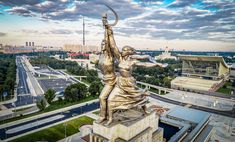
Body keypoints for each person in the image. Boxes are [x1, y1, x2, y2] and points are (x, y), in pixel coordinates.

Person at [104, 26, 167, 125]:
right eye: (123, 50)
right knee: (110, 99)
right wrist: (110, 32)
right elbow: (113, 46)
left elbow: (145, 64)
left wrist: (157, 64)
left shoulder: (133, 61)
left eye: (124, 50)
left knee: (138, 97)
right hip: (120, 82)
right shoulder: (119, 58)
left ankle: (145, 109)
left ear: (128, 52)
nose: (122, 51)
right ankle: (110, 119)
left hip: (129, 82)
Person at [96, 13, 117, 123]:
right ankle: (109, 114)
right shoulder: (101, 56)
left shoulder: (109, 54)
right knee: (108, 99)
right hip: (105, 80)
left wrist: (106, 24)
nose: (103, 45)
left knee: (102, 98)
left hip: (111, 81)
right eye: (101, 44)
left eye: (104, 44)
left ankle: (103, 116)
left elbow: (109, 41)